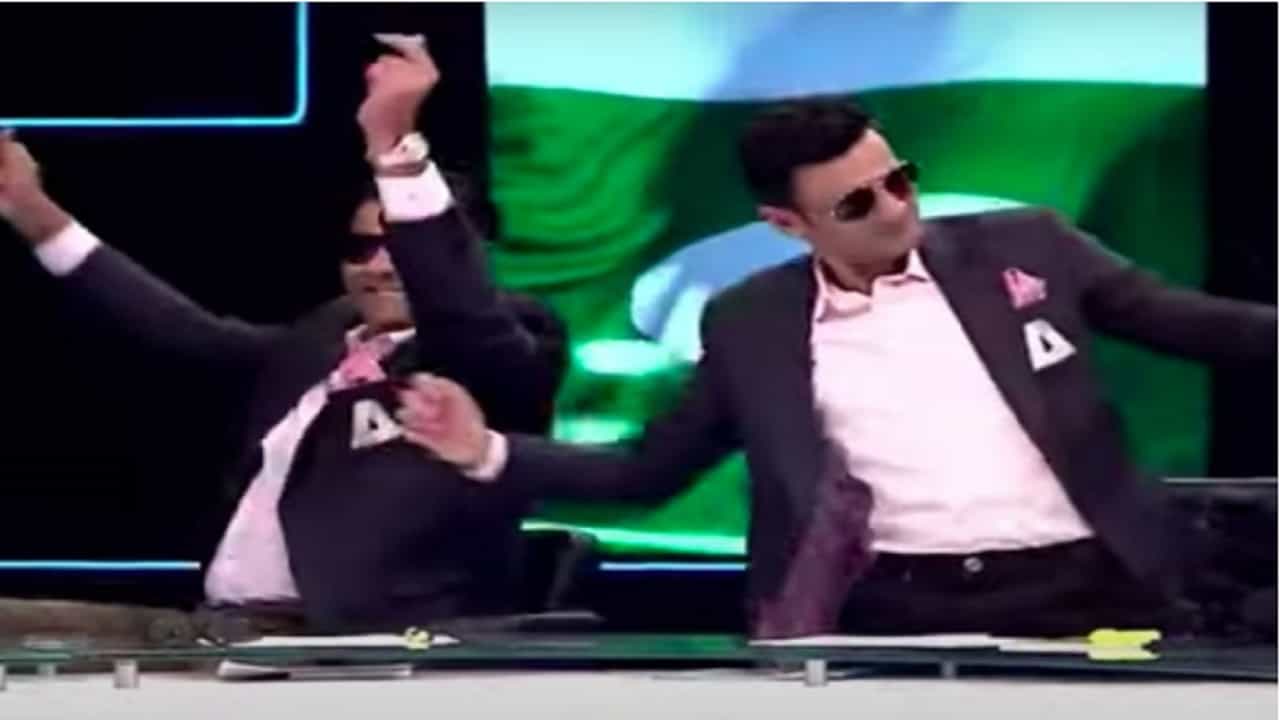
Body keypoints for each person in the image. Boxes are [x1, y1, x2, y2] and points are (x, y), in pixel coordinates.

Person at [394, 98, 1277, 639]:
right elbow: (647, 470)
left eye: (901, 179)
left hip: (1085, 594)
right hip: (885, 611)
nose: (896, 209)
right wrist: (487, 451)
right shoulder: (751, 322)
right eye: (858, 203)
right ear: (787, 225)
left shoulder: (1029, 245)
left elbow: (1195, 323)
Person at [0, 35, 566, 637]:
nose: (377, 266)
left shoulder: (502, 348)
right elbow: (181, 333)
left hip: (357, 647)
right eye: (361, 248)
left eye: (399, 246)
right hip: (216, 632)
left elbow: (461, 308)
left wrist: (397, 148)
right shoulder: (323, 339)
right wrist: (32, 213)